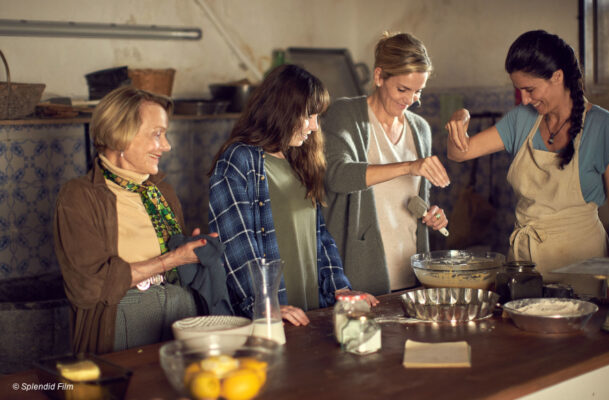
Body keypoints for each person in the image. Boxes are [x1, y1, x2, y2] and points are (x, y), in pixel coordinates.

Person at [446, 30, 609, 296]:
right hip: (525, 268)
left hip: (583, 269)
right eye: (519, 90)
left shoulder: (602, 126)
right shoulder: (522, 120)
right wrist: (460, 116)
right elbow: (459, 153)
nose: (524, 99)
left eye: (530, 89)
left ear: (557, 76)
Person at [208, 64, 377, 327]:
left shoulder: (299, 158)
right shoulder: (239, 160)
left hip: (310, 309)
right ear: (283, 111)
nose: (314, 126)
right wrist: (265, 305)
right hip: (269, 316)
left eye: (317, 116)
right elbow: (236, 246)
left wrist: (340, 289)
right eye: (308, 115)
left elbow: (319, 234)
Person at [54, 86, 214, 354]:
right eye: (157, 134)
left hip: (182, 315)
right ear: (120, 136)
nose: (166, 145)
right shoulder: (79, 196)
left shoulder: (162, 192)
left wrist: (191, 250)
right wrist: (171, 260)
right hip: (122, 327)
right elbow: (88, 287)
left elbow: (179, 266)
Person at [322, 32, 450, 296]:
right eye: (402, 89)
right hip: (359, 278)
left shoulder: (421, 129)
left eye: (418, 92)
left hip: (412, 275)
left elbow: (413, 202)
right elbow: (336, 176)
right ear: (379, 77)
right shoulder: (345, 115)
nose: (410, 100)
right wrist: (408, 166)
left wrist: (432, 215)